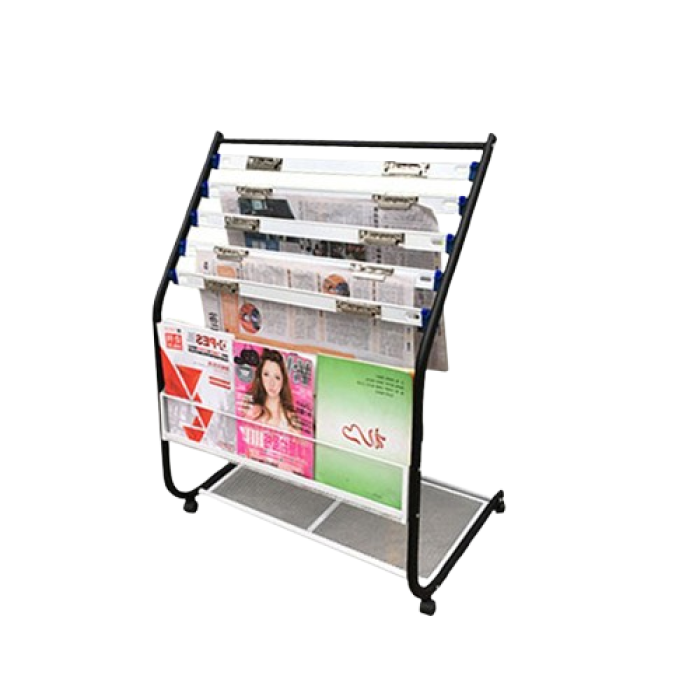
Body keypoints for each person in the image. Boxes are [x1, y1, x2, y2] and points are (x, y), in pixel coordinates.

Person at [246, 349, 302, 433]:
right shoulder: (252, 412)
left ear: (283, 380)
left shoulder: (291, 419)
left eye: (277, 377)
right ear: (260, 377)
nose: (271, 383)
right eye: (266, 375)